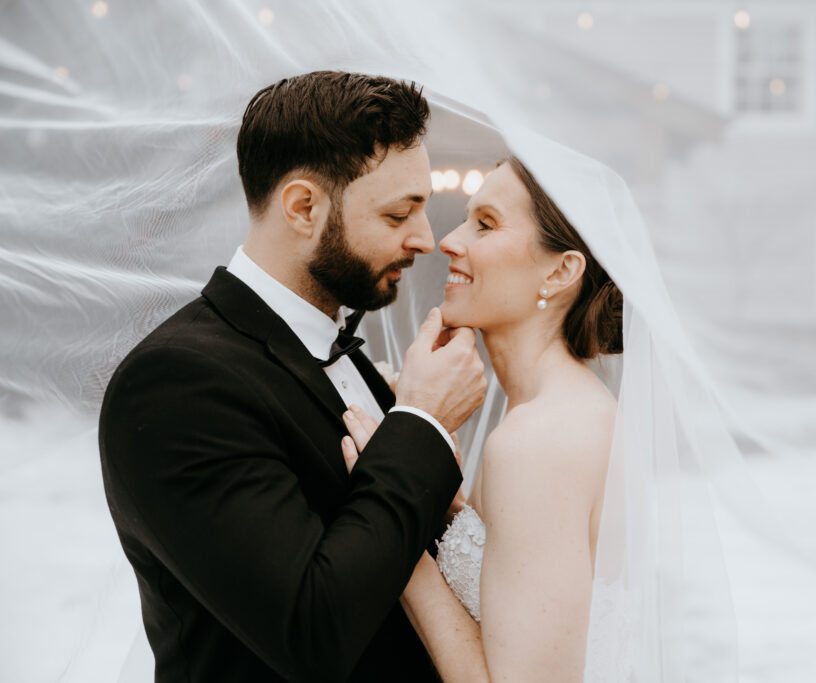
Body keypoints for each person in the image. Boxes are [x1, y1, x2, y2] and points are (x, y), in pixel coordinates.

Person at [98, 70, 487, 682]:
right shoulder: (178, 383)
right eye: (397, 213)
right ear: (303, 207)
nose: (425, 238)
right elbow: (312, 629)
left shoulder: (343, 351)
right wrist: (422, 424)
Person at [340, 156, 624, 681]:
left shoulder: (541, 440)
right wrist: (443, 503)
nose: (447, 240)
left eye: (485, 224)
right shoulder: (558, 411)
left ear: (561, 271)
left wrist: (392, 529)